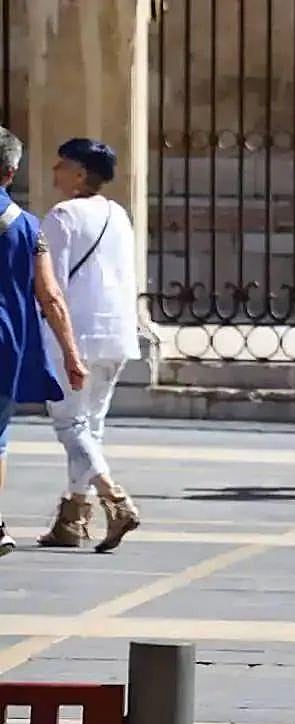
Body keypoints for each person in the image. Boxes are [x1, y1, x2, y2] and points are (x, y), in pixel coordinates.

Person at [33, 138, 140, 554]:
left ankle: (114, 499)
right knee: (90, 427)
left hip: (75, 333)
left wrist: (63, 345)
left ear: (80, 175)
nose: (55, 171)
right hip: (115, 333)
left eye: (63, 165)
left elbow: (51, 286)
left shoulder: (61, 216)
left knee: (69, 424)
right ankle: (73, 516)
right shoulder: (119, 214)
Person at [0, 126, 87, 556]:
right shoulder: (29, 227)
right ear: (11, 171)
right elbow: (50, 295)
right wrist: (71, 354)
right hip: (6, 343)